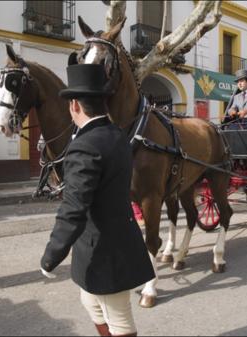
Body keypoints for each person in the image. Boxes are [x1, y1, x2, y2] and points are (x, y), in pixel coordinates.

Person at [40, 64, 155, 336]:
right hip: (111, 243)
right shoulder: (117, 135)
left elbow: (73, 209)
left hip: (104, 252)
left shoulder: (85, 145)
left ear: (75, 106)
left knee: (119, 320)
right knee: (90, 301)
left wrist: (51, 256)